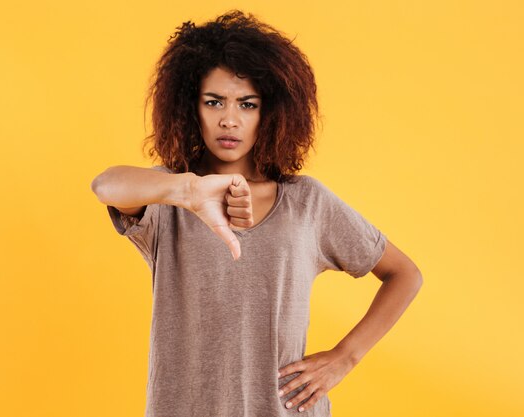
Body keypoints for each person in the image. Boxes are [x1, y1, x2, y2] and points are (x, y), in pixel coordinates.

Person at [91, 9, 423, 417]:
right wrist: (189, 189)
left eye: (247, 104)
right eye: (214, 102)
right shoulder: (170, 200)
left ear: (271, 113)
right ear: (190, 107)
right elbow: (105, 186)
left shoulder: (307, 203)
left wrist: (344, 358)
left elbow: (404, 274)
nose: (229, 119)